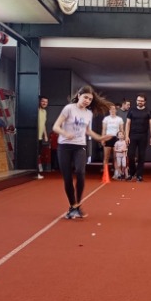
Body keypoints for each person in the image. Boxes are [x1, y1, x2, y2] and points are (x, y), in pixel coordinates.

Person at [53, 86, 111, 219]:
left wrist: (99, 137)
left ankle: (78, 204)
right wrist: (65, 133)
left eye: (90, 99)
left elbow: (87, 131)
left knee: (80, 172)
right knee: (67, 178)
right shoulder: (69, 108)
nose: (87, 101)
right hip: (64, 146)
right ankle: (73, 206)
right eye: (85, 97)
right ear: (79, 96)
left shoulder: (88, 113)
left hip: (80, 146)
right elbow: (55, 126)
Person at [124, 93, 151, 181]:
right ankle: (132, 172)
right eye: (138, 100)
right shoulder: (131, 111)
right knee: (130, 155)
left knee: (142, 156)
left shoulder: (148, 112)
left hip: (143, 136)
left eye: (141, 101)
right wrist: (126, 136)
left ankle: (139, 175)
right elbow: (127, 124)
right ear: (136, 101)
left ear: (145, 102)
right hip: (132, 135)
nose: (140, 102)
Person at [101, 103, 125, 169]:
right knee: (106, 157)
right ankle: (105, 172)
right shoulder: (106, 119)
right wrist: (103, 139)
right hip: (107, 138)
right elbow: (104, 129)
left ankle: (116, 172)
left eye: (113, 109)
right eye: (111, 109)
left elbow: (121, 130)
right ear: (109, 110)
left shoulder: (119, 119)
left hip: (116, 139)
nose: (112, 110)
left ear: (116, 110)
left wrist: (123, 139)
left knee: (116, 157)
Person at [37, 95, 50, 178]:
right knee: (35, 155)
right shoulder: (36, 110)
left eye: (46, 102)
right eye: (43, 101)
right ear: (39, 102)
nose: (44, 103)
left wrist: (45, 135)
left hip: (40, 137)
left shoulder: (44, 112)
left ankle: (37, 172)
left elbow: (43, 124)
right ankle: (36, 172)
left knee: (38, 154)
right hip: (34, 137)